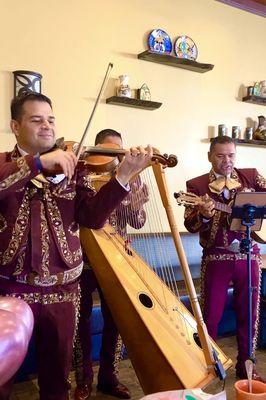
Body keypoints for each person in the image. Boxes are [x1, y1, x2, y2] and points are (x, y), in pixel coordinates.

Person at [0, 92, 153, 400]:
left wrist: (123, 176)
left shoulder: (75, 170)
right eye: (36, 119)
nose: (46, 126)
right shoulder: (5, 164)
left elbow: (93, 218)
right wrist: (39, 163)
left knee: (57, 382)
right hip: (12, 293)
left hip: (63, 293)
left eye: (51, 119)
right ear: (16, 126)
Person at [74, 129, 149, 400]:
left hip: (117, 261)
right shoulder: (82, 177)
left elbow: (138, 222)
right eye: (110, 151)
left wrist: (136, 206)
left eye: (120, 151)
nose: (116, 157)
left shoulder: (134, 179)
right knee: (78, 322)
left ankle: (109, 377)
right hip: (83, 260)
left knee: (116, 319)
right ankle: (83, 380)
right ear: (97, 152)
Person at [184, 135, 266, 381]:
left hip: (249, 256)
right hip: (216, 257)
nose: (227, 161)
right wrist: (205, 215)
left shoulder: (251, 176)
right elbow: (190, 224)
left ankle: (246, 365)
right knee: (210, 315)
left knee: (249, 312)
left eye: (231, 155)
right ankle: (206, 367)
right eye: (220, 155)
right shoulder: (196, 185)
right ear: (210, 156)